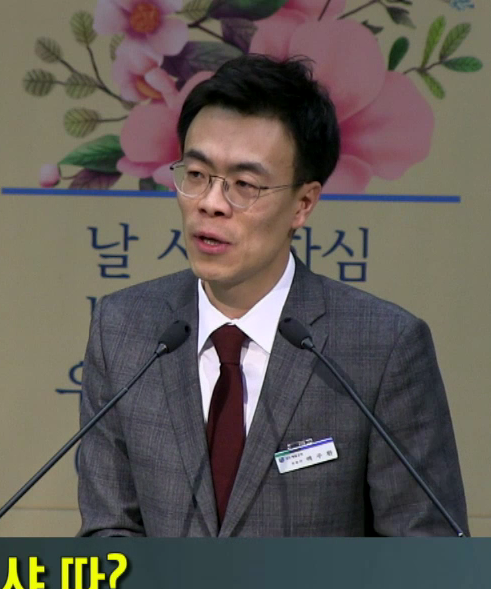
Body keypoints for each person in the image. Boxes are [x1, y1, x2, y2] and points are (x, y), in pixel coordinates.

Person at [75, 54, 468, 537]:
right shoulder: (124, 329)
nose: (211, 204)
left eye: (244, 184)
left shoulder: (382, 348)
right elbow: (109, 532)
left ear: (303, 203)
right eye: (196, 175)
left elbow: (426, 551)